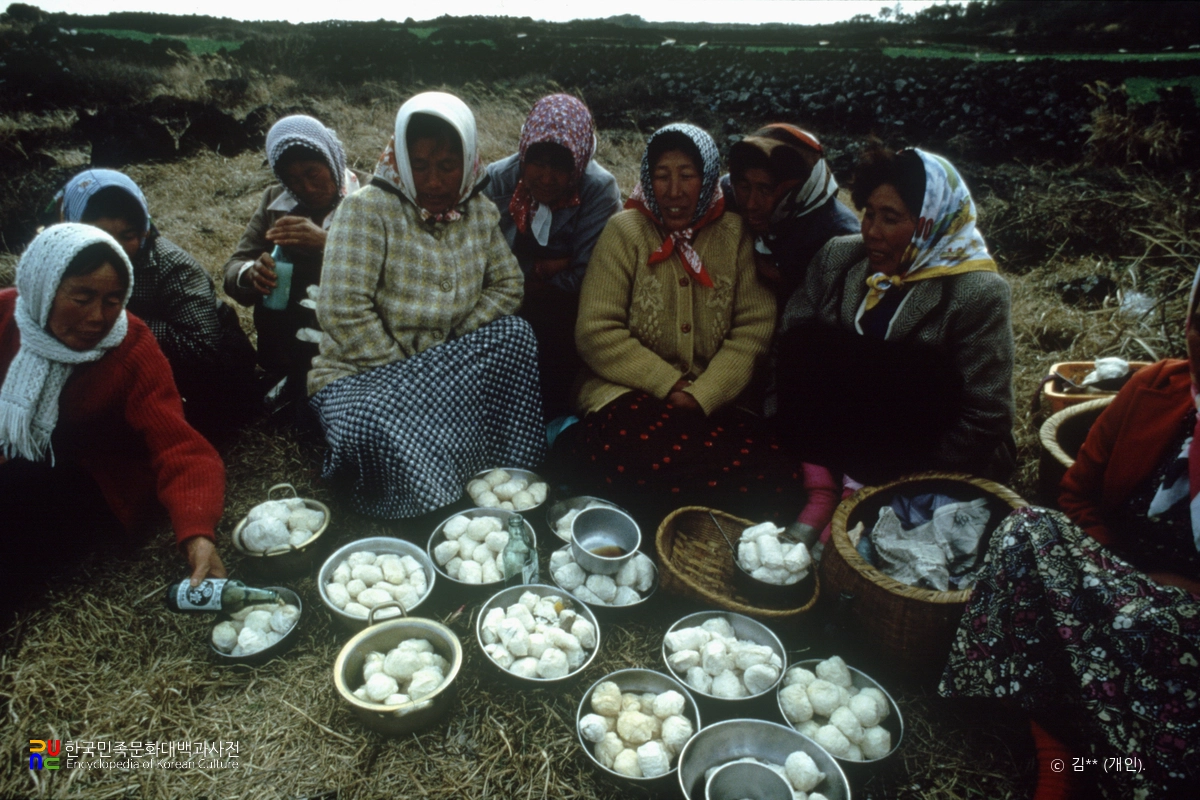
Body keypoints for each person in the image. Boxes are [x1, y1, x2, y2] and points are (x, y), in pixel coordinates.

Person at [938, 270, 1200, 800]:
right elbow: (1077, 491)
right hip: (1118, 581)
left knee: (1157, 747)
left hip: (1184, 633)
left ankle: (1097, 761)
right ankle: (1057, 752)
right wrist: (1110, 580)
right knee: (1025, 530)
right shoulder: (1157, 386)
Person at [558, 122, 836, 531]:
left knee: (775, 480)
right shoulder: (625, 232)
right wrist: (668, 383)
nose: (674, 191)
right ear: (647, 179)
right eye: (661, 175)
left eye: (687, 175)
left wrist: (703, 393)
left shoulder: (735, 233)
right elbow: (597, 330)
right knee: (638, 454)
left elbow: (753, 329)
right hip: (628, 394)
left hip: (716, 402)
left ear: (707, 178)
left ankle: (672, 524)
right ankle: (683, 525)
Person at [308, 92, 545, 519]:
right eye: (420, 167)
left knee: (516, 336)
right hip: (366, 375)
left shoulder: (478, 212)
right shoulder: (365, 212)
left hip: (446, 361)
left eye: (447, 167)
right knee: (370, 418)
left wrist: (457, 337)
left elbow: (509, 284)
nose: (434, 182)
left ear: (469, 161)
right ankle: (429, 504)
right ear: (400, 159)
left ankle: (509, 473)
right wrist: (406, 369)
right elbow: (343, 309)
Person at [0, 224, 227, 612]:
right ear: (43, 286)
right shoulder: (6, 314)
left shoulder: (131, 346)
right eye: (82, 297)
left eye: (112, 300)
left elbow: (179, 446)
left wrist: (197, 534)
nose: (97, 318)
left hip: (92, 476)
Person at [775, 144, 1015, 488]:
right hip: (835, 447)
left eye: (891, 219)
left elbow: (986, 415)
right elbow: (788, 350)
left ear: (931, 224)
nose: (871, 231)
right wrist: (796, 437)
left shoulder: (976, 293)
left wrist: (909, 480)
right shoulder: (838, 258)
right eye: (869, 213)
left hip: (929, 463)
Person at [59, 168, 257, 438]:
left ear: (144, 232)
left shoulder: (173, 267)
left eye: (127, 235)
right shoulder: (65, 260)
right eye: (101, 234)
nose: (113, 247)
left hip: (204, 382)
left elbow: (202, 350)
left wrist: (120, 323)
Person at [484, 94, 622, 418]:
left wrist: (522, 273)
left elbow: (584, 276)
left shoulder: (598, 189)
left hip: (567, 313)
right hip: (503, 306)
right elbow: (483, 265)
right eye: (537, 162)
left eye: (560, 165)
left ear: (579, 160)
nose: (546, 177)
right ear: (523, 153)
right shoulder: (498, 180)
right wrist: (549, 267)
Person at [223, 115, 363, 405]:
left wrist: (328, 244)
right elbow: (235, 265)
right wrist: (252, 273)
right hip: (286, 338)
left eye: (313, 174)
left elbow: (392, 268)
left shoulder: (370, 198)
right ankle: (288, 374)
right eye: (292, 180)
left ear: (332, 162)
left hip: (353, 329)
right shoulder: (275, 201)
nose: (305, 188)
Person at [721, 123, 859, 303]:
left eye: (766, 190)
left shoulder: (837, 236)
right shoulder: (726, 196)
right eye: (745, 187)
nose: (751, 204)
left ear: (800, 190)